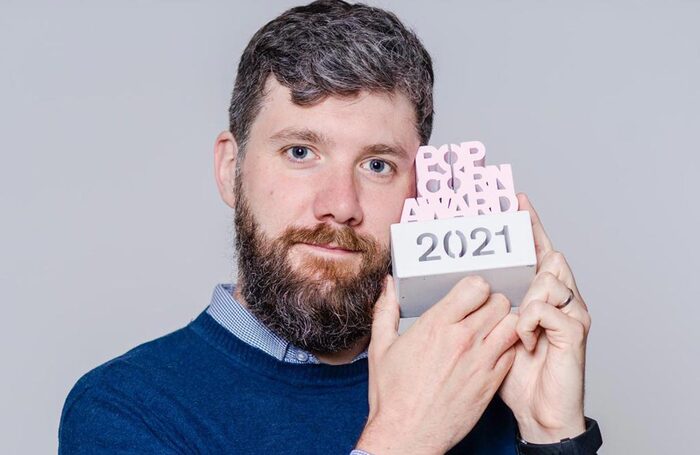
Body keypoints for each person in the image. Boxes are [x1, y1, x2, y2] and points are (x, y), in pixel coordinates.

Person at [59, 1, 603, 453]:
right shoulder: (126, 408)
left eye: (377, 165)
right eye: (301, 151)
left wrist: (551, 434)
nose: (340, 206)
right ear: (231, 170)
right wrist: (402, 440)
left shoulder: (478, 389)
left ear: (421, 189)